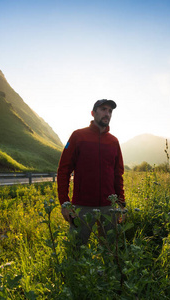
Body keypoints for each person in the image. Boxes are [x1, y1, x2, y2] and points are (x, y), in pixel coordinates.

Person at [57, 99, 125, 246]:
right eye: (103, 109)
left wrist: (121, 204)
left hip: (109, 207)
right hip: (82, 207)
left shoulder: (114, 141)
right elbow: (64, 170)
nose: (107, 113)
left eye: (110, 111)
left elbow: (118, 175)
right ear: (93, 113)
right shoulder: (78, 136)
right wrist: (65, 203)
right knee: (76, 250)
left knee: (110, 251)